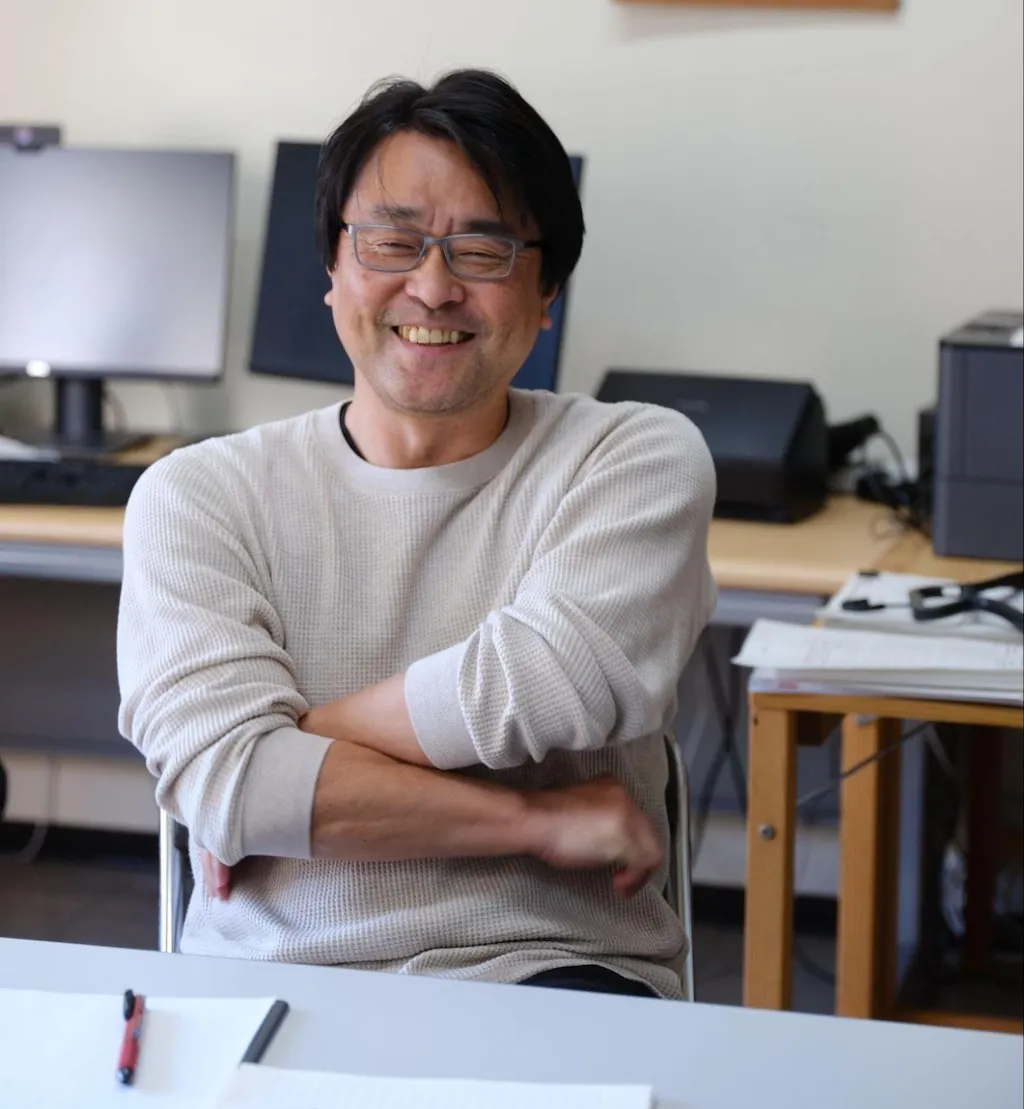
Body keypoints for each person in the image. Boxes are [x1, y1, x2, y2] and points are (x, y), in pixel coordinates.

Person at [117, 69, 716, 999]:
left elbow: (540, 683)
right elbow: (229, 779)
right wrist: (539, 821)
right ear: (333, 270)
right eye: (393, 242)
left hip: (552, 964)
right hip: (274, 974)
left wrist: (271, 763)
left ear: (547, 289)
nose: (432, 287)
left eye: (483, 250)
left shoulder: (632, 457)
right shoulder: (197, 495)